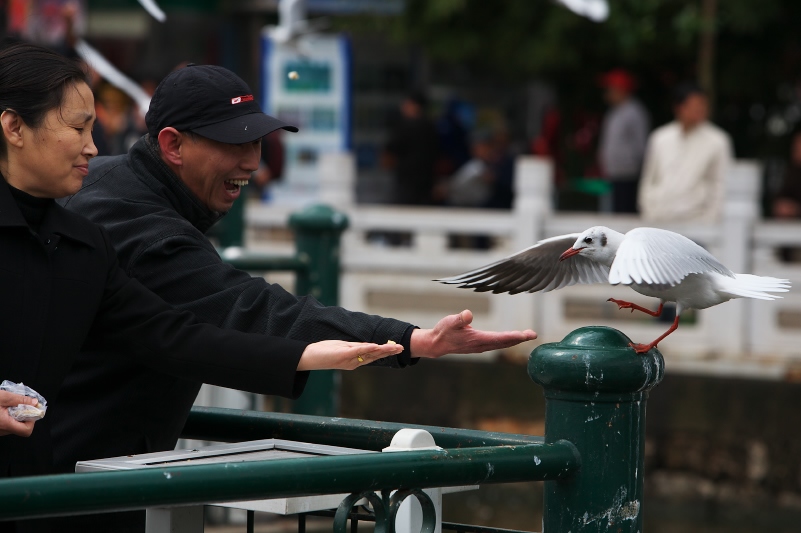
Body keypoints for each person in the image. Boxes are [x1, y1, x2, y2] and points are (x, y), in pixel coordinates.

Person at [50, 64, 537, 531]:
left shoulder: (108, 181)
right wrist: (411, 340)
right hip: (72, 487)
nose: (251, 161)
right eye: (233, 142)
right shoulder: (142, 226)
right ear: (173, 145)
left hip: (76, 471)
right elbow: (253, 308)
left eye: (257, 141)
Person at [0, 43, 412, 533]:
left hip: (47, 493)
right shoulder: (120, 215)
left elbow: (173, 335)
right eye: (77, 128)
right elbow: (233, 308)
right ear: (14, 127)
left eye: (93, 128)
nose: (93, 145)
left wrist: (318, 354)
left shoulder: (82, 240)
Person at [638, 83, 733, 223]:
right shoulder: (660, 138)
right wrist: (649, 213)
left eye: (702, 104)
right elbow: (649, 179)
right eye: (694, 105)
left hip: (697, 221)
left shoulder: (717, 141)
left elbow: (721, 184)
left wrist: (710, 220)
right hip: (660, 220)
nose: (699, 109)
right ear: (679, 107)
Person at [597, 69, 650, 213]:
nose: (608, 93)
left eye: (611, 89)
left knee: (625, 215)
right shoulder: (614, 112)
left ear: (622, 90)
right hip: (613, 174)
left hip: (628, 175)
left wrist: (640, 168)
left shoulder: (635, 112)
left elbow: (641, 144)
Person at [383, 91, 440, 205]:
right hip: (427, 182)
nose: (403, 107)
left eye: (407, 104)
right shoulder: (431, 126)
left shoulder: (404, 126)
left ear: (415, 106)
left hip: (407, 182)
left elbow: (389, 154)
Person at [773, 130, 801, 219]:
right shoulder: (791, 173)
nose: (797, 150)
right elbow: (780, 202)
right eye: (795, 147)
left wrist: (795, 209)